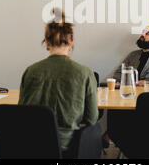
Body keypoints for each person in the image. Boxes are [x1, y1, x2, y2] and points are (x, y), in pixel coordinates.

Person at [18, 9, 98, 157]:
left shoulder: (30, 71)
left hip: (31, 145)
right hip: (68, 147)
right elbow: (92, 118)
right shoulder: (84, 73)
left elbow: (22, 113)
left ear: (47, 41)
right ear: (71, 41)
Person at [105, 25, 149, 153]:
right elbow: (118, 73)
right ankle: (112, 134)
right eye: (142, 33)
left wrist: (148, 81)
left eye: (147, 33)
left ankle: (126, 140)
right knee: (114, 104)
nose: (143, 35)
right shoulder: (132, 55)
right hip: (130, 92)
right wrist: (124, 82)